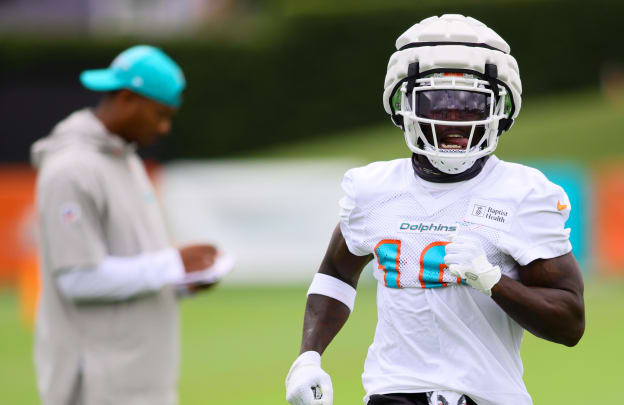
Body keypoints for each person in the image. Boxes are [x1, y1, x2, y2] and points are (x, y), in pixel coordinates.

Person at [285, 15, 585, 405]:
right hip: (392, 391)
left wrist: (494, 282)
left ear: (499, 108)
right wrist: (308, 358)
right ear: (404, 104)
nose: (455, 118)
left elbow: (570, 322)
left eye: (471, 104)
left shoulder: (524, 193)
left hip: (487, 396)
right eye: (438, 103)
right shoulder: (372, 189)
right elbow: (336, 273)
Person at [31, 45, 220, 405]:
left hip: (139, 381)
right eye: (160, 114)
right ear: (127, 97)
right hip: (97, 387)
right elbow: (76, 279)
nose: (164, 127)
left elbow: (135, 262)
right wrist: (171, 265)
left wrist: (182, 280)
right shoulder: (71, 168)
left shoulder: (124, 158)